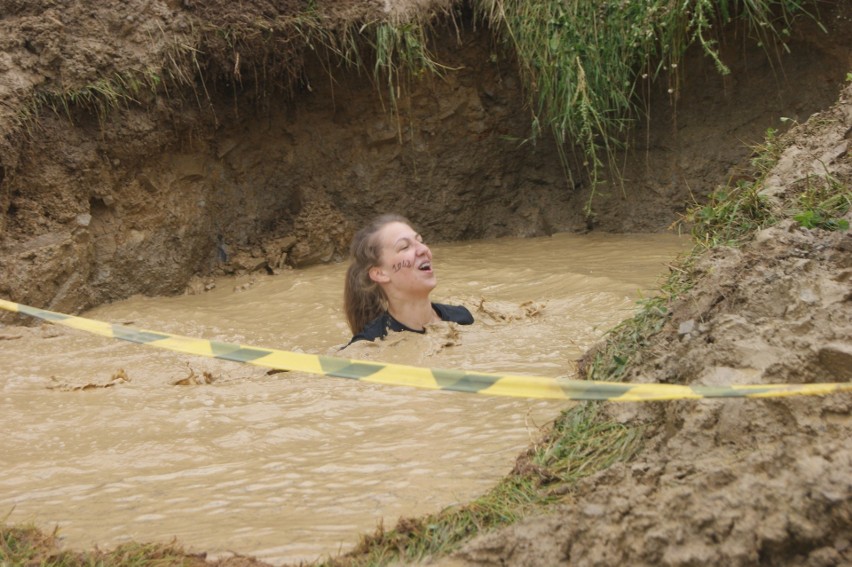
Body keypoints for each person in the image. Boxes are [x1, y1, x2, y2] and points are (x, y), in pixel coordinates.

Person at [343, 213, 473, 345]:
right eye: (404, 247)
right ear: (380, 274)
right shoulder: (369, 346)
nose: (423, 249)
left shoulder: (462, 318)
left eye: (420, 241)